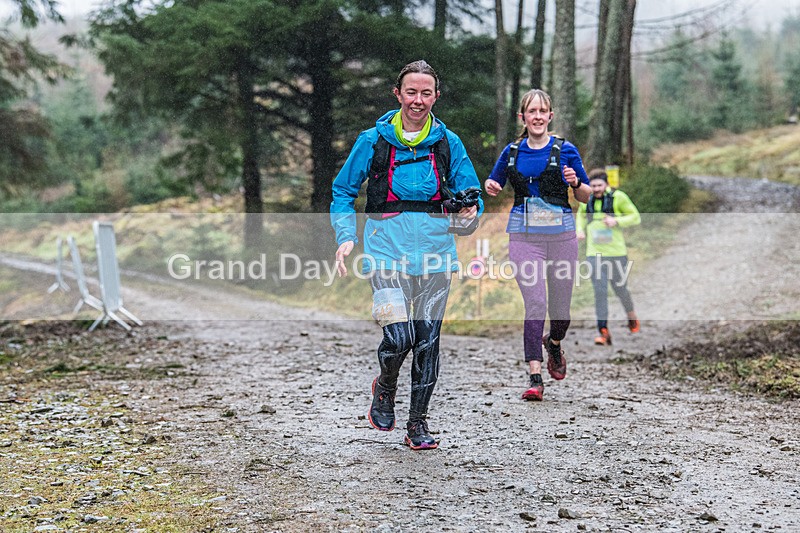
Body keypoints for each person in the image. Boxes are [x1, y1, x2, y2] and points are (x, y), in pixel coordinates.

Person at [330, 60, 483, 450]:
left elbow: (471, 194)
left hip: (436, 254)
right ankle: (385, 385)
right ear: (397, 94)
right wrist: (346, 236)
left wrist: (470, 212)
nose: (418, 100)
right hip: (385, 253)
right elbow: (343, 192)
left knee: (428, 340)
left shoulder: (449, 142)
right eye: (411, 92)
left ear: (436, 96)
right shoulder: (372, 140)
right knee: (399, 338)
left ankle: (418, 424)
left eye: (426, 93)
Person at [484, 88, 590, 401]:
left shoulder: (566, 150)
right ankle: (535, 375)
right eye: (532, 111)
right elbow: (495, 182)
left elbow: (585, 196)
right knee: (535, 302)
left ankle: (554, 342)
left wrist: (574, 183)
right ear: (523, 117)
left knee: (560, 310)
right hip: (523, 235)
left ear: (550, 116)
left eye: (543, 111)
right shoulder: (512, 151)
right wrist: (491, 185)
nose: (538, 116)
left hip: (561, 235)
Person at [576, 168, 641, 345]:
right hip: (594, 254)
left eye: (599, 185)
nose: (596, 189)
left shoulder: (618, 197)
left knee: (620, 289)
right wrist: (579, 230)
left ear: (607, 185)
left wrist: (616, 221)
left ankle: (631, 315)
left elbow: (635, 217)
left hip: (617, 253)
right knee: (600, 291)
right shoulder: (586, 199)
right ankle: (603, 331)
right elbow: (581, 216)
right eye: (593, 185)